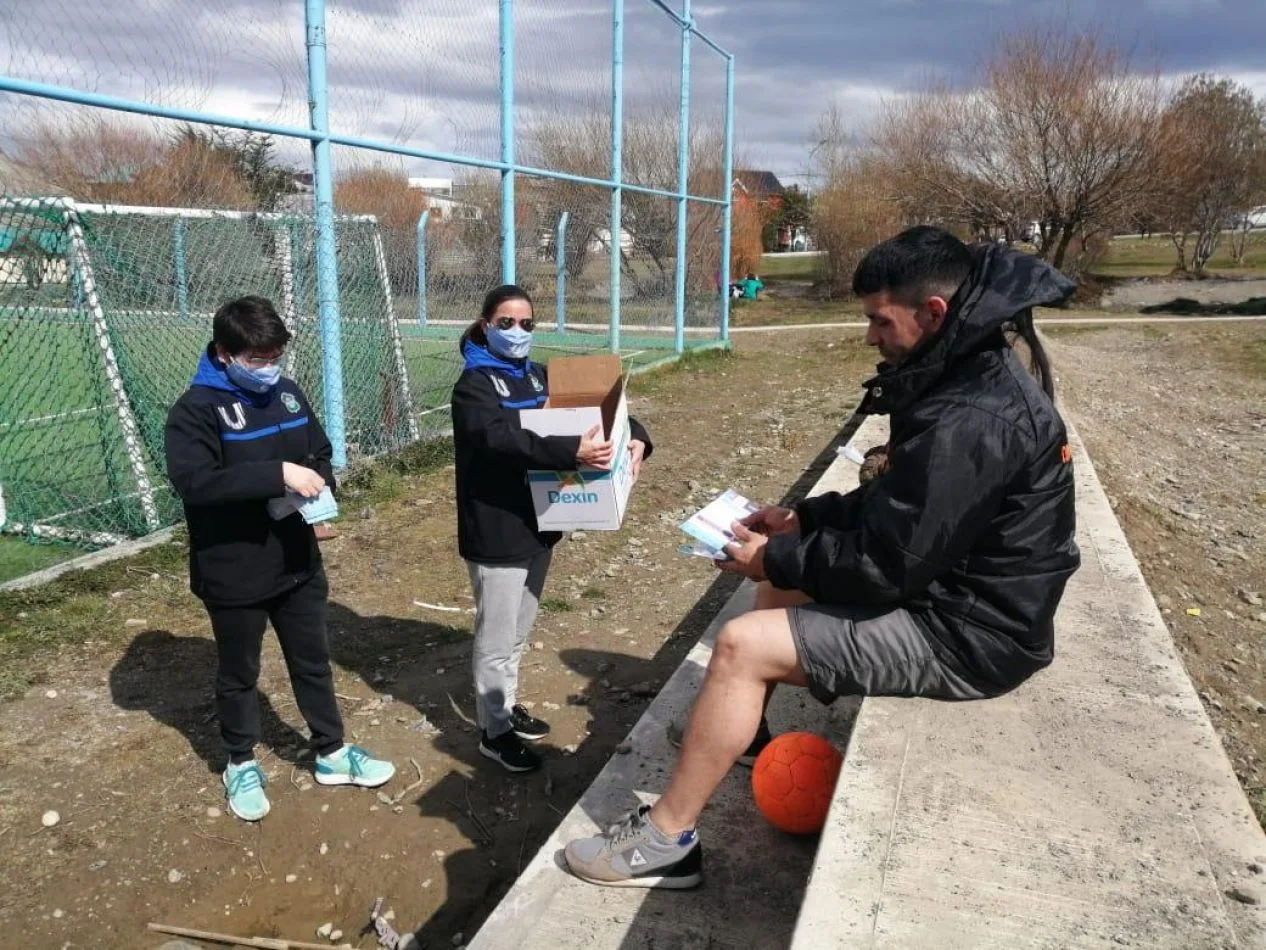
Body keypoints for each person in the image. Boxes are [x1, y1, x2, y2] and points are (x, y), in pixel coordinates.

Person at [563, 225, 1081, 888]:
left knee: (739, 647)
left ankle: (665, 840)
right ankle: (745, 739)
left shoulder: (974, 417)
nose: (870, 336)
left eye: (878, 320)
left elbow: (891, 563)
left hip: (973, 635)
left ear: (933, 314)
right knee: (781, 563)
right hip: (954, 592)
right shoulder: (962, 373)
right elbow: (903, 507)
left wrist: (771, 560)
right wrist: (803, 519)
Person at [164, 295, 395, 822]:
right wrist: (277, 475)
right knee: (239, 671)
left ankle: (332, 750)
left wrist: (320, 499)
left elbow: (318, 451)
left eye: (274, 357)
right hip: (234, 567)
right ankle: (240, 759)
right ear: (224, 353)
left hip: (296, 559)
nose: (268, 369)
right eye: (256, 359)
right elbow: (195, 482)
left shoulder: (287, 394)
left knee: (312, 659)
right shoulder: (195, 410)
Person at [451, 285, 652, 774]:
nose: (517, 333)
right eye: (506, 323)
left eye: (526, 324)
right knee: (496, 639)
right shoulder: (474, 387)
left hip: (541, 525)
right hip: (497, 530)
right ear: (484, 326)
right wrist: (571, 453)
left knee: (519, 631)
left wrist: (640, 440)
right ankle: (492, 733)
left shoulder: (539, 377)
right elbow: (502, 438)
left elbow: (607, 407)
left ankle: (507, 705)